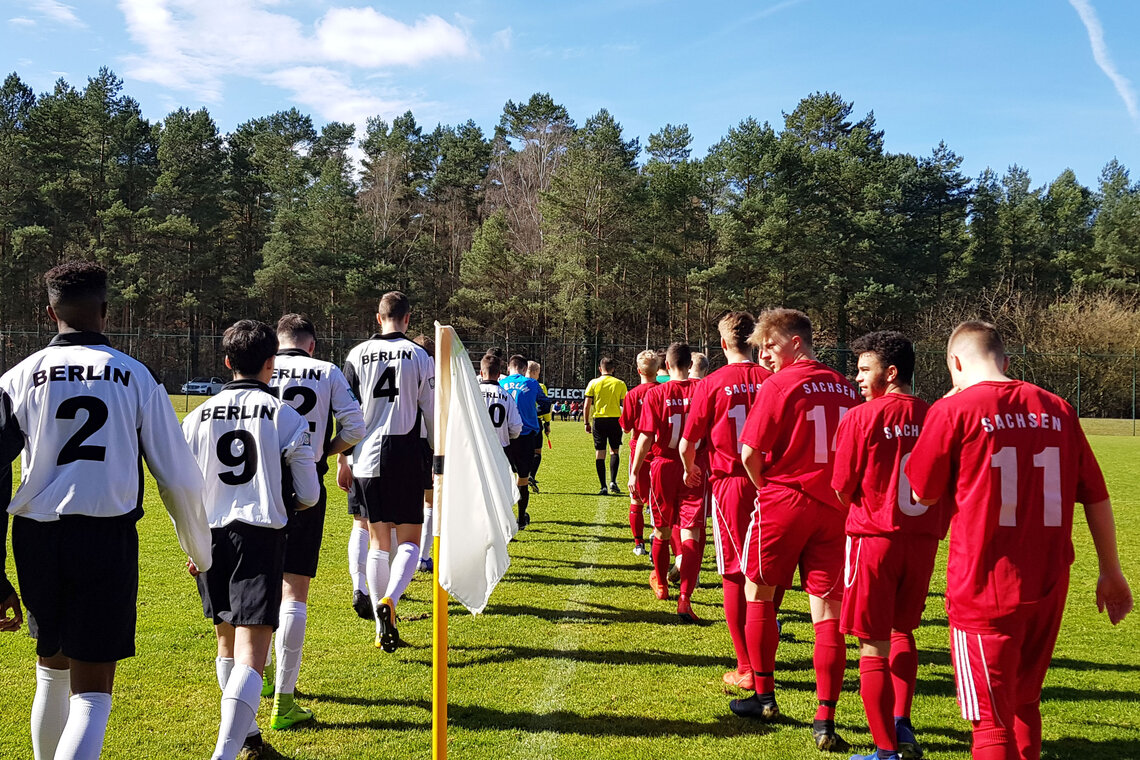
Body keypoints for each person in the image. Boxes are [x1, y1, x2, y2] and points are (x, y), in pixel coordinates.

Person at [0, 261, 212, 760]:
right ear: (105, 310)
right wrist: (200, 551)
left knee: (50, 669)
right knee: (92, 691)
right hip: (103, 538)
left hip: (35, 536)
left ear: (48, 311)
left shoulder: (16, 377)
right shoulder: (136, 376)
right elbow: (179, 477)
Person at [906, 321, 1133, 760]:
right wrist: (1111, 570)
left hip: (982, 585)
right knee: (1025, 700)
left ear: (954, 362)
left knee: (989, 722)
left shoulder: (954, 410)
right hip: (1048, 582)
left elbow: (922, 493)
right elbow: (1097, 495)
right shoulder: (1058, 408)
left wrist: (943, 408)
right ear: (1006, 361)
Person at [183, 319, 320, 760]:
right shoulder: (286, 414)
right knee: (252, 654)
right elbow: (310, 493)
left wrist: (193, 542)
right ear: (270, 364)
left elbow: (182, 488)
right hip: (260, 535)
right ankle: (224, 753)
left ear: (226, 362)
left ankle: (249, 739)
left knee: (225, 641)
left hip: (210, 535)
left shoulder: (194, 417)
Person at [735, 308, 860, 752]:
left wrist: (767, 485)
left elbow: (750, 450)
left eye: (769, 346)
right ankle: (825, 720)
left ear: (794, 342)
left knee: (759, 592)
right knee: (828, 614)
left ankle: (764, 697)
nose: (764, 355)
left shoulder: (780, 383)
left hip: (785, 500)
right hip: (835, 508)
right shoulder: (846, 386)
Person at [831, 331, 942, 760]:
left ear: (890, 373)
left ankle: (885, 751)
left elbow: (842, 487)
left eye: (863, 370)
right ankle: (903, 725)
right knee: (904, 631)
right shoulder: (936, 416)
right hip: (921, 541)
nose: (857, 378)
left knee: (871, 641)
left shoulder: (861, 417)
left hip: (874, 538)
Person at [266, 314, 364, 729]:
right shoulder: (325, 371)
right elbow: (356, 426)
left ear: (277, 340)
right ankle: (284, 697)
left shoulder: (263, 364)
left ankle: (263, 676)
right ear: (312, 345)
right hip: (305, 485)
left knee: (260, 582)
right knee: (295, 587)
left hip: (257, 482)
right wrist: (325, 451)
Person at [336, 292, 435, 652]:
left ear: (378, 319)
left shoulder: (356, 354)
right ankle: (390, 601)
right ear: (407, 319)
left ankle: (381, 626)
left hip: (365, 453)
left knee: (378, 541)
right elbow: (431, 410)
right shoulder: (420, 355)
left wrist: (343, 457)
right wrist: (438, 458)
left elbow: (346, 410)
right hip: (405, 451)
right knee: (408, 539)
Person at [681, 312, 772, 691]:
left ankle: (747, 665)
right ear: (754, 341)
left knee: (733, 573)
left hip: (731, 482)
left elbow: (689, 442)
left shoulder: (712, 382)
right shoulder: (773, 379)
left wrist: (689, 469)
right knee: (766, 571)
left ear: (721, 345)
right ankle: (764, 644)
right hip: (770, 483)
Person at [629, 342, 704, 621]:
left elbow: (646, 437)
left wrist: (635, 472)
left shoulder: (658, 393)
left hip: (663, 466)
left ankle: (661, 584)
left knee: (661, 530)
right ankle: (685, 598)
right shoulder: (703, 391)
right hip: (695, 466)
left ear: (667, 366)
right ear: (690, 365)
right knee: (691, 533)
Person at [500, 355, 551, 528]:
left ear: (509, 368)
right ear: (524, 369)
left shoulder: (501, 383)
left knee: (502, 478)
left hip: (503, 436)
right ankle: (521, 519)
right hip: (525, 434)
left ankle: (503, 520)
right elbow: (545, 404)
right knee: (522, 478)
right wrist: (532, 412)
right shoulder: (531, 383)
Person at [619, 350, 660, 555]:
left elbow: (626, 427)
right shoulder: (665, 391)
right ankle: (657, 535)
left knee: (636, 498)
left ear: (638, 370)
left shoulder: (633, 394)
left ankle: (638, 544)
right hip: (661, 451)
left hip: (639, 451)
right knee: (659, 499)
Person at [584, 357, 628, 495]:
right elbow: (625, 405)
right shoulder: (620, 383)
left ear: (600, 368)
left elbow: (587, 405)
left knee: (600, 453)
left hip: (599, 420)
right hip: (615, 420)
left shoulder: (594, 383)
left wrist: (586, 422)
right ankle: (613, 481)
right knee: (614, 451)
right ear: (613, 369)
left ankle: (603, 486)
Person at [413, 334, 437, 573]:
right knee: (430, 501)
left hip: (401, 441)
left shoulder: (405, 367)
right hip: (426, 442)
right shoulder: (434, 374)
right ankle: (422, 556)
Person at [480, 354, 523, 450]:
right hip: (500, 449)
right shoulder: (507, 396)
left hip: (477, 449)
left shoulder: (473, 393)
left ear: (481, 373)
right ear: (499, 374)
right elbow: (516, 427)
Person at [527, 361, 551, 493]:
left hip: (520, 421)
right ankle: (531, 475)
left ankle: (523, 475)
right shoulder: (539, 386)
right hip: (536, 421)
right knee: (537, 451)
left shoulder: (519, 384)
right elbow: (546, 407)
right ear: (536, 372)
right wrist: (547, 424)